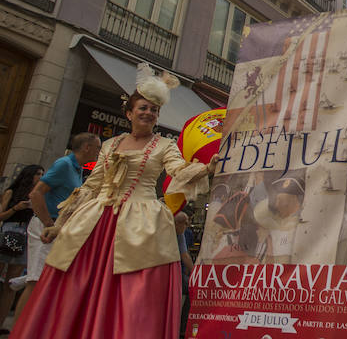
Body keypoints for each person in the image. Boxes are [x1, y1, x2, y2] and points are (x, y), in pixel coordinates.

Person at [11, 63, 215, 339]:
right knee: (77, 282)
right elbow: (90, 187)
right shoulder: (110, 145)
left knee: (131, 290)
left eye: (154, 109)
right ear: (129, 112)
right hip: (97, 222)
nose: (148, 113)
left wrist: (204, 168)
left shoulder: (165, 146)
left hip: (140, 225)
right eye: (143, 107)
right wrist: (59, 225)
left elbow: (178, 170)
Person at [14, 133, 100, 323]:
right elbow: (36, 194)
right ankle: (19, 331)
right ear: (87, 148)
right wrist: (49, 224)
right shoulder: (64, 164)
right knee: (35, 281)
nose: (98, 152)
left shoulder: (77, 169)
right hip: (46, 227)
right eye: (97, 148)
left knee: (44, 280)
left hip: (56, 229)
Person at [0, 165, 42, 333]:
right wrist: (16, 208)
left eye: (42, 174)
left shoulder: (39, 195)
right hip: (9, 231)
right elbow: (1, 215)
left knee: (12, 283)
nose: (40, 177)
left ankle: (1, 323)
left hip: (26, 234)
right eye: (38, 174)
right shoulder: (11, 193)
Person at [174, 211, 193, 337]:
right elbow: (184, 256)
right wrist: (195, 272)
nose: (187, 226)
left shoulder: (181, 234)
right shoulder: (181, 234)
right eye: (185, 223)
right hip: (175, 276)